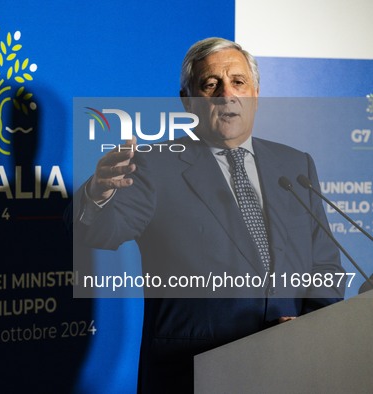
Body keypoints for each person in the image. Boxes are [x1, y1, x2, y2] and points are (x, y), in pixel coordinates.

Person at [72, 37, 345, 393]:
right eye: (210, 84)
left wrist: (307, 329)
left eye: (238, 81)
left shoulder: (294, 164)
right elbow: (103, 233)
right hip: (195, 371)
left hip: (289, 366)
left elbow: (325, 266)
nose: (226, 94)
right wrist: (98, 195)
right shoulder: (154, 165)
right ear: (188, 101)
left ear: (256, 93)